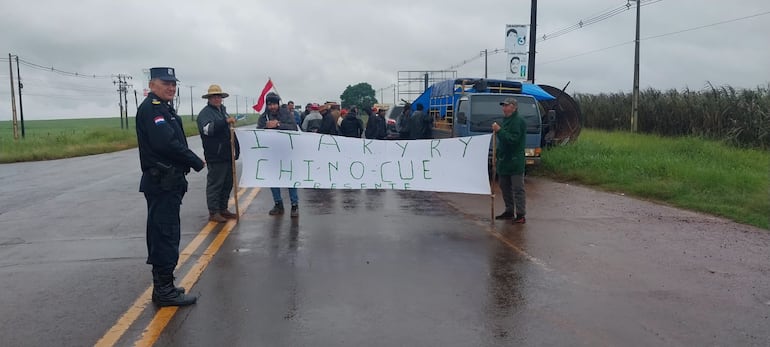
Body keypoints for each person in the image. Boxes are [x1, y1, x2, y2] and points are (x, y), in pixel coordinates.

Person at [135, 67, 205, 306]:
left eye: (174, 84)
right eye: (166, 83)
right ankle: (164, 290)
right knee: (164, 234)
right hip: (161, 182)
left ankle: (165, 285)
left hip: (169, 182)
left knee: (166, 232)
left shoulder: (163, 108)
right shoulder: (152, 109)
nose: (171, 87)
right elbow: (167, 143)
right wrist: (195, 161)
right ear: (152, 84)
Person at [197, 84, 240, 223]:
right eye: (214, 97)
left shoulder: (223, 111)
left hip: (227, 154)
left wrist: (236, 149)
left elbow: (230, 130)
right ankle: (214, 212)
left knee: (227, 183)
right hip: (215, 155)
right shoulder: (205, 114)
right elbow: (207, 129)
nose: (217, 99)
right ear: (209, 98)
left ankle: (223, 208)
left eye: (218, 96)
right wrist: (224, 121)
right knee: (216, 184)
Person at [257, 92, 300, 217]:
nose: (272, 107)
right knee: (273, 179)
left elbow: (294, 128)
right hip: (271, 154)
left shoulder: (286, 114)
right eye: (270, 104)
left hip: (287, 153)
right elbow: (257, 132)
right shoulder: (263, 117)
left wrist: (278, 124)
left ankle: (294, 205)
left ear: (278, 103)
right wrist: (266, 126)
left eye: (274, 104)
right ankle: (278, 204)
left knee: (290, 179)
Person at [492, 97, 526, 224]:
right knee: (504, 186)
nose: (504, 108)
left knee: (517, 188)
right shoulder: (506, 120)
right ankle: (509, 211)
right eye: (503, 106)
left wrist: (499, 131)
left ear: (514, 107)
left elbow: (512, 140)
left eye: (507, 106)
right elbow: (503, 142)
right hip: (504, 160)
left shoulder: (518, 121)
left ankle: (521, 214)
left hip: (515, 160)